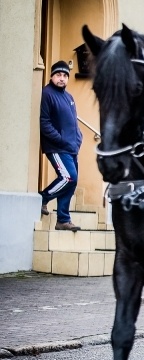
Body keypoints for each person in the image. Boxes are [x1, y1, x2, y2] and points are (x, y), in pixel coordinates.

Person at [40, 60, 83, 232]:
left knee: (71, 182)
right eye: (58, 75)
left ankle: (63, 220)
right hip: (57, 147)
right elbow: (44, 123)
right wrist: (61, 140)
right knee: (68, 177)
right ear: (51, 76)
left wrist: (79, 138)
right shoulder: (46, 93)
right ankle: (42, 198)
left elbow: (73, 121)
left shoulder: (69, 97)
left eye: (65, 75)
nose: (62, 78)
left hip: (71, 147)